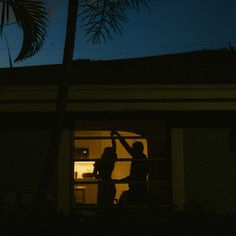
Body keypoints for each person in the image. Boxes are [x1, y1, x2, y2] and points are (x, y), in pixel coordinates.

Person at [111, 130, 149, 205]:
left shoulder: (139, 159)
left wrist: (119, 181)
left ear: (137, 150)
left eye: (133, 149)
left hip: (137, 188)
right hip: (140, 187)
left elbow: (134, 176)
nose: (132, 151)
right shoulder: (143, 159)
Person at [93, 133, 117, 205]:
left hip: (103, 184)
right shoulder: (111, 161)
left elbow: (95, 175)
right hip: (110, 183)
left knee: (102, 202)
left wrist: (100, 175)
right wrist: (113, 137)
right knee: (109, 203)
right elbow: (114, 147)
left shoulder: (99, 161)